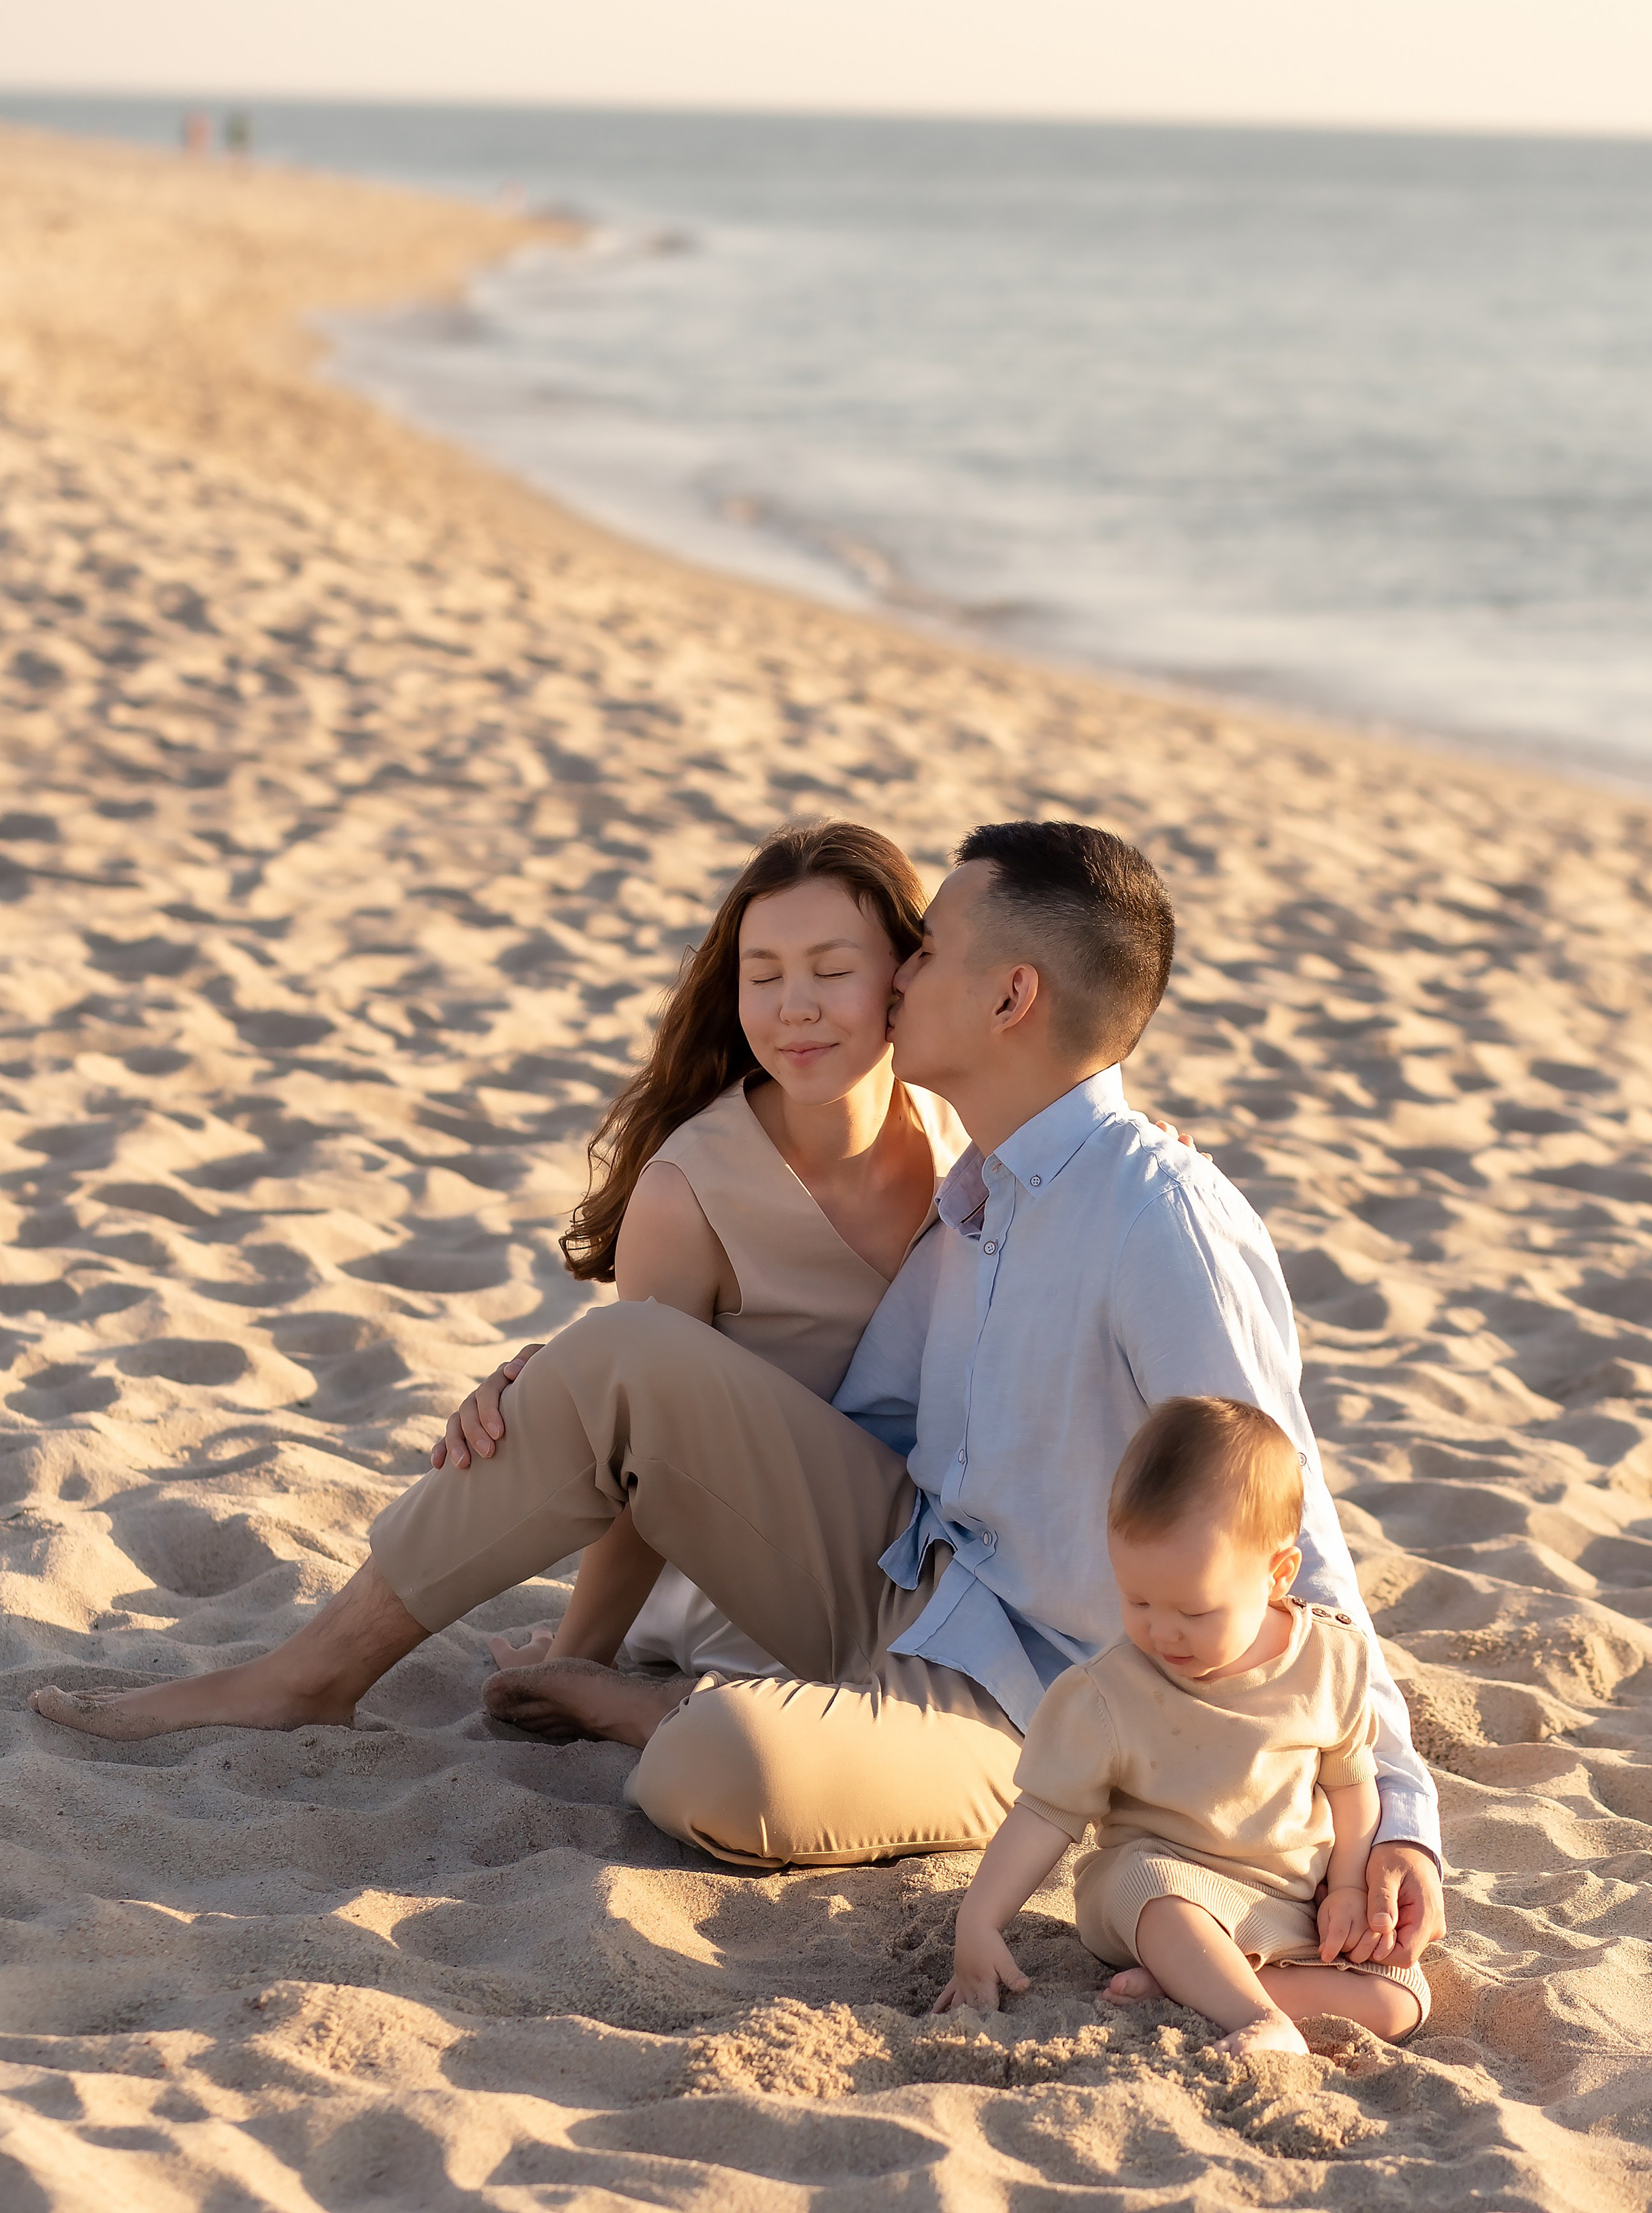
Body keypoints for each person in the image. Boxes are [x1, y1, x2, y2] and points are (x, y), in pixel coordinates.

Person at [29, 818, 1444, 1971]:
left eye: (923, 954)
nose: (892, 983)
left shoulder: (1155, 1218)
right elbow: (863, 1416)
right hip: (906, 1572)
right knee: (615, 1354)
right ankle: (303, 1679)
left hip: (1047, 1706)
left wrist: (1397, 1817)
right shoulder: (983, 1185)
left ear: (1011, 996)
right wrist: (579, 1390)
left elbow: (1291, 1532)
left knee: (719, 1770)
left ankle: (633, 1707)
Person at [439, 818, 965, 1727]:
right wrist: (577, 1656)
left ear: (906, 974)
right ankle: (638, 1689)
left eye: (832, 971)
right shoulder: (691, 1192)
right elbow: (640, 1453)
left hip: (922, 1548)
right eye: (762, 976)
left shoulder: (962, 1134)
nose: (793, 1005)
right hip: (754, 1580)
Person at [935, 1396, 1430, 2053]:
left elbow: (1351, 1783)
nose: (1161, 1630)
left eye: (1194, 1611)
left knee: (1402, 1998)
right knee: (1158, 1891)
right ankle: (1256, 2017)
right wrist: (981, 1919)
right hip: (1159, 1885)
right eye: (1136, 1599)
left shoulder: (1331, 1658)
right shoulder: (1111, 1691)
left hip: (1284, 1899)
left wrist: (1344, 1887)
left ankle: (1207, 1988)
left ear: (1278, 1574)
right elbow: (1044, 1813)